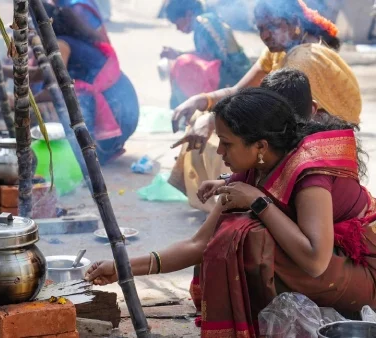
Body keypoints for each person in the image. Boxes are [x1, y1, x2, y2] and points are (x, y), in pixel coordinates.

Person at [85, 88, 376, 336]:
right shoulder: (254, 171)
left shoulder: (309, 176)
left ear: (260, 145)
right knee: (233, 232)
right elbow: (198, 244)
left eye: (227, 143)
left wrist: (259, 203)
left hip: (359, 271)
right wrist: (122, 267)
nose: (220, 152)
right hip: (324, 268)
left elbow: (315, 261)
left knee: (246, 236)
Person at [167, 0, 361, 212]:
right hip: (290, 131)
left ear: (294, 22)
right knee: (205, 119)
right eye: (261, 28)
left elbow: (267, 115)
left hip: (320, 147)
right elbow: (240, 90)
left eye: (273, 26)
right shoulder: (278, 49)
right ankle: (232, 197)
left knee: (236, 138)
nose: (266, 35)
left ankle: (240, 201)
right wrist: (201, 100)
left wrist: (213, 120)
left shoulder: (304, 58)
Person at [0, 3, 138, 164]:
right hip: (120, 108)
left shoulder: (61, 45)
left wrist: (22, 104)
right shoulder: (61, 42)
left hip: (119, 112)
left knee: (70, 154)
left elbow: (54, 91)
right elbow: (37, 74)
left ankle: (95, 150)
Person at [197, 67, 317, 205]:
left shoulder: (309, 171)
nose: (220, 150)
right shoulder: (267, 154)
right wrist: (228, 181)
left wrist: (257, 202)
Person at [160, 0, 251, 109]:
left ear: (188, 14)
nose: (178, 28)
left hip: (234, 77)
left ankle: (186, 110)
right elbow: (206, 54)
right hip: (230, 74)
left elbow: (216, 58)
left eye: (177, 23)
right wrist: (178, 54)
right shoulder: (203, 22)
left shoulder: (204, 22)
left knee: (181, 65)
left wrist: (179, 55)